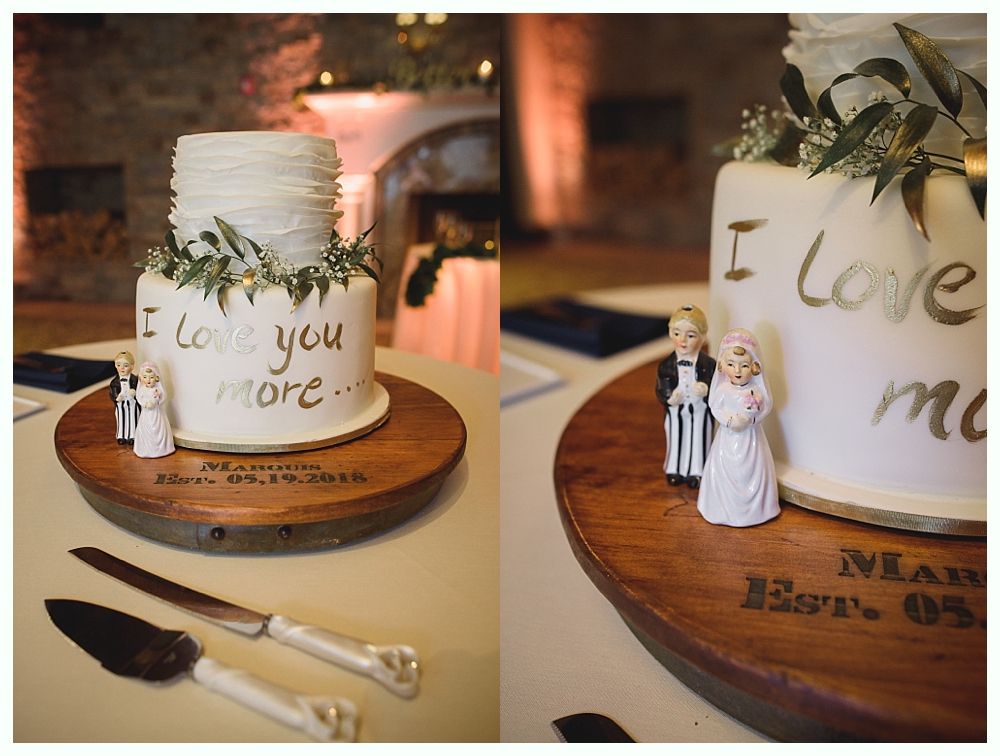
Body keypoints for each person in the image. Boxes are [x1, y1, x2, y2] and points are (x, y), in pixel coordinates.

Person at [696, 328, 780, 527]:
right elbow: (715, 406)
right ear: (722, 365)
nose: (737, 371)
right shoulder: (723, 390)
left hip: (751, 440)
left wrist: (750, 419)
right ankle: (720, 507)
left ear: (754, 367)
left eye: (743, 365)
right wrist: (729, 421)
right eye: (731, 364)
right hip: (727, 438)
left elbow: (764, 407)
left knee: (752, 472)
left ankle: (757, 510)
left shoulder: (756, 391)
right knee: (725, 469)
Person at [655, 304, 715, 488]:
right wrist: (669, 397)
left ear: (703, 336)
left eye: (690, 335)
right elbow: (660, 388)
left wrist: (706, 389)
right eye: (676, 333)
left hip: (700, 411)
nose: (682, 341)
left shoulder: (709, 365)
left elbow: (718, 386)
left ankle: (697, 472)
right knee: (676, 439)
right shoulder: (666, 365)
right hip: (676, 412)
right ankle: (675, 469)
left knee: (698, 438)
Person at [132, 361, 175, 459]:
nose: (148, 380)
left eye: (151, 377)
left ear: (156, 378)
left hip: (157, 413)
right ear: (141, 378)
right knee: (146, 429)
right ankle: (145, 448)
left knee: (158, 429)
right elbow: (139, 398)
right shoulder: (142, 389)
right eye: (145, 377)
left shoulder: (157, 390)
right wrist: (145, 404)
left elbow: (161, 397)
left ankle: (162, 448)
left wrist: (155, 402)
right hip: (146, 414)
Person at [109, 351, 140, 445]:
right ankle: (121, 436)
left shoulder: (135, 379)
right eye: (118, 365)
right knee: (121, 420)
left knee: (133, 419)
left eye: (125, 365)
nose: (121, 368)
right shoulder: (115, 382)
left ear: (132, 366)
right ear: (115, 365)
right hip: (120, 405)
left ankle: (132, 436)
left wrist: (135, 391)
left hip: (132, 404)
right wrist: (116, 397)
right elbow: (112, 391)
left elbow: (140, 389)